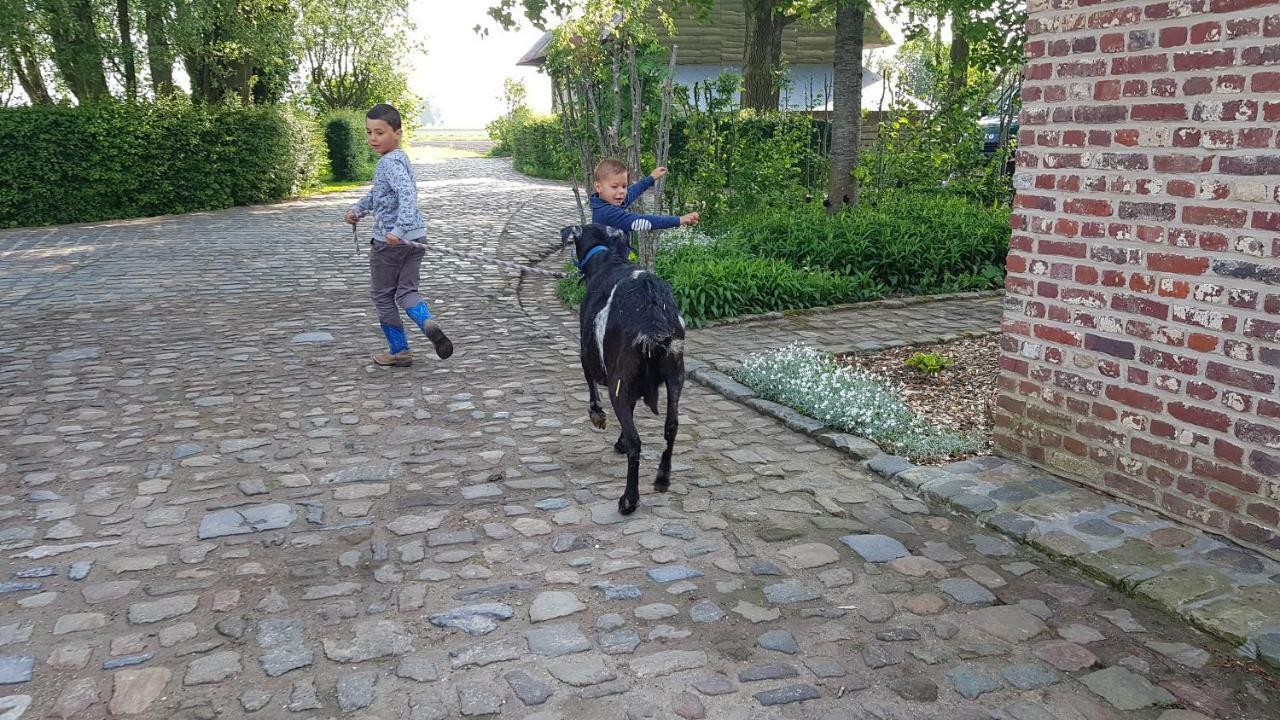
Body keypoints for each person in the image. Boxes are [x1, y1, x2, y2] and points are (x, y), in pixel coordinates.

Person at [345, 103, 452, 367]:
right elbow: (380, 196)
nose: (372, 138)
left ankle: (399, 351)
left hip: (391, 242)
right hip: (417, 239)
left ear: (397, 133)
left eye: (379, 132)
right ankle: (427, 322)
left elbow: (407, 195)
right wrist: (358, 210)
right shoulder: (399, 158)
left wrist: (398, 230)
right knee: (407, 291)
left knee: (383, 296)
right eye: (369, 132)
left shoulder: (388, 163)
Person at [589, 158, 699, 242]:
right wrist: (679, 220)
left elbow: (633, 192)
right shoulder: (607, 213)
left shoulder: (609, 202)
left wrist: (651, 178)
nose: (621, 191)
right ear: (598, 187)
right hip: (607, 269)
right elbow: (645, 221)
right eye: (614, 186)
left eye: (624, 186)